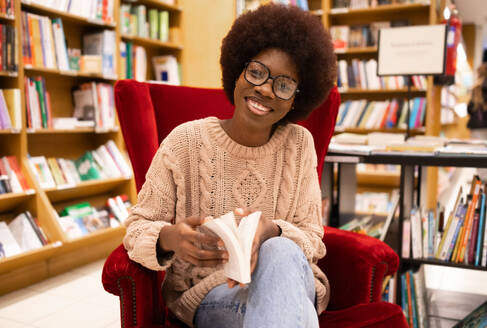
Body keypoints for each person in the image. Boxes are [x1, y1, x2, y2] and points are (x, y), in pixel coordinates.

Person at [123, 4, 337, 328]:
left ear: (296, 98)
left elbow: (312, 239)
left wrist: (271, 231)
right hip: (213, 296)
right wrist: (170, 238)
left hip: (291, 280)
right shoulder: (185, 142)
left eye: (283, 85)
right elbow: (136, 229)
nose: (264, 88)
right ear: (238, 70)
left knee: (279, 250)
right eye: (256, 72)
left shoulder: (299, 144)